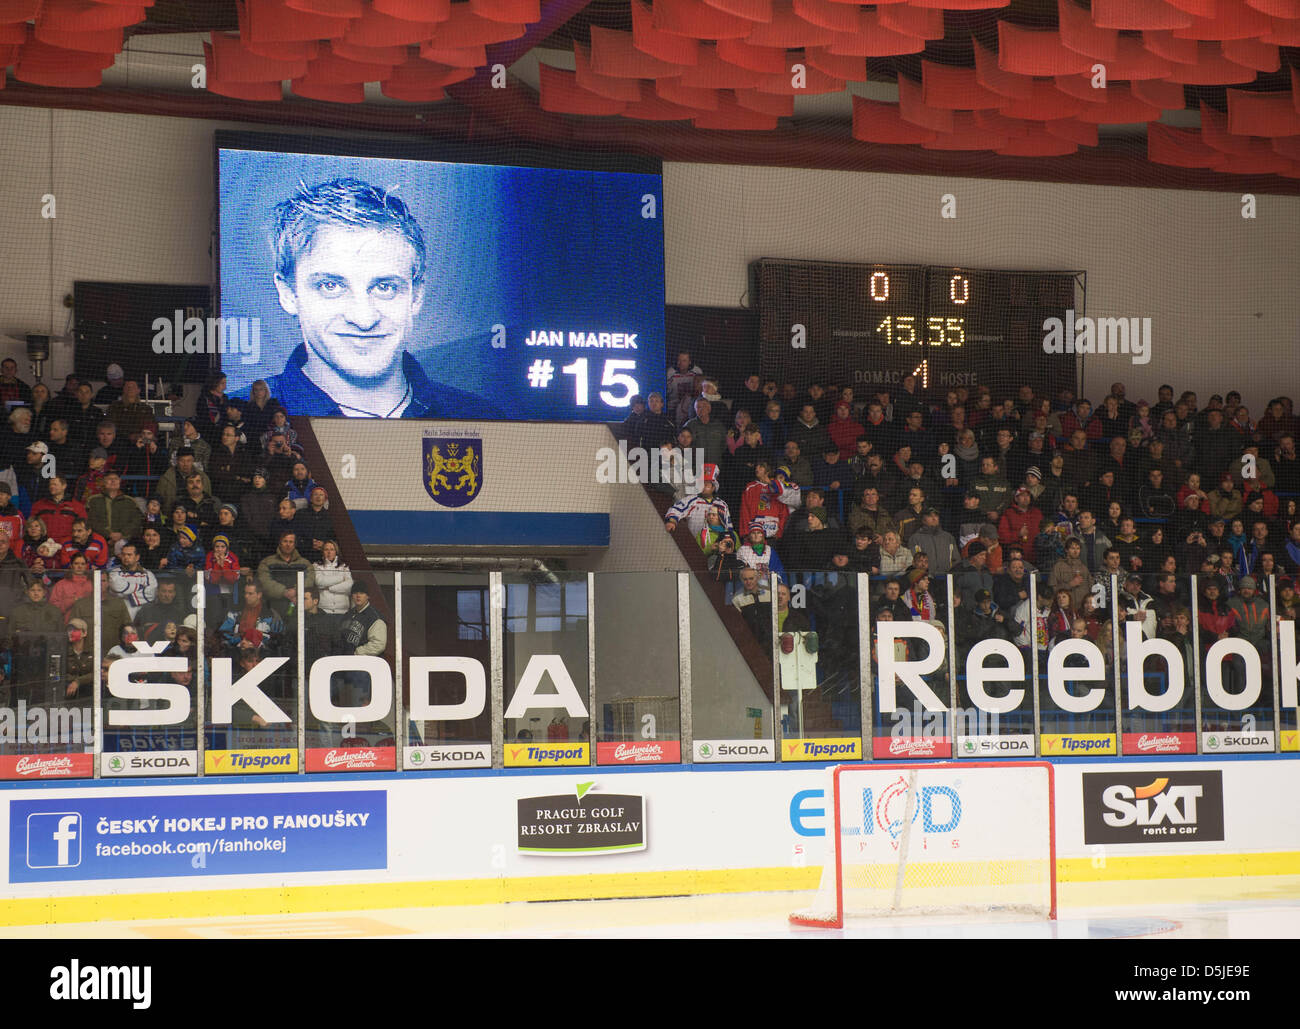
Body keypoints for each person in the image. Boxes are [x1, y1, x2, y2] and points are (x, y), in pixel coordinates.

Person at [265, 177, 501, 418]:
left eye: (384, 287)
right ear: (288, 293)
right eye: (331, 286)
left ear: (416, 294)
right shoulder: (248, 420)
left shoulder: (481, 417)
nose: (363, 318)